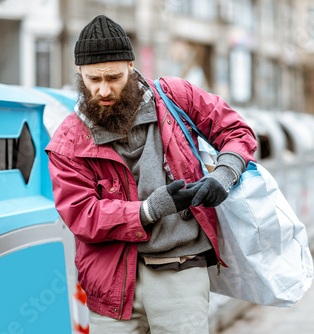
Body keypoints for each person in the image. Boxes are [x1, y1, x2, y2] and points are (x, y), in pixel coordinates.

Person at [45, 15, 257, 333]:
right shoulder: (67, 141)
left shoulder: (175, 97)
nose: (104, 89)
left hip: (181, 271)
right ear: (79, 74)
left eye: (114, 77)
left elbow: (236, 130)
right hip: (111, 285)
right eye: (93, 80)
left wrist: (224, 175)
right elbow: (83, 216)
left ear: (131, 66)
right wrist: (148, 209)